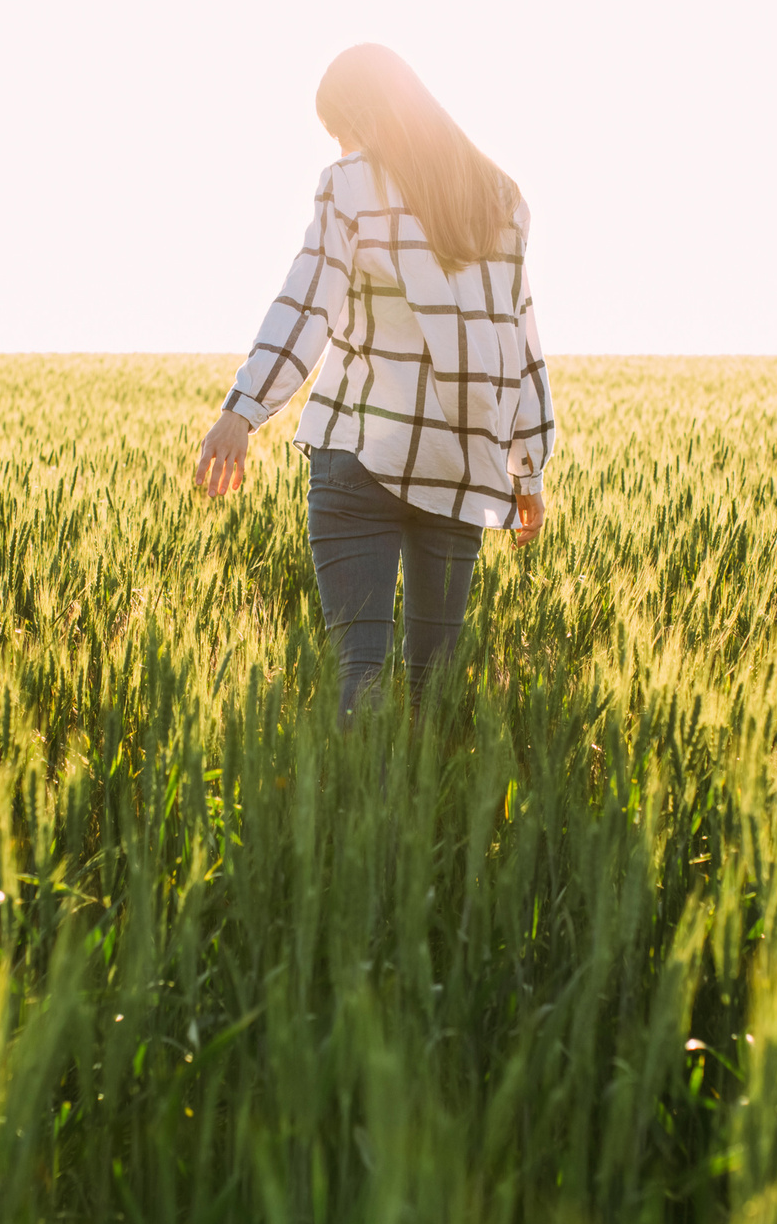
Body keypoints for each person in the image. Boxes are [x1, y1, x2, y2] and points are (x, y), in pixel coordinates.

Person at [194, 44, 556, 721]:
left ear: (361, 116)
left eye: (341, 129)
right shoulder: (499, 196)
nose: (344, 146)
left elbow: (308, 304)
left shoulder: (351, 183)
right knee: (432, 691)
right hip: (459, 470)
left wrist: (242, 411)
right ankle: (416, 823)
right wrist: (526, 465)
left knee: (361, 678)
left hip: (357, 459)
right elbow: (520, 336)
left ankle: (356, 822)